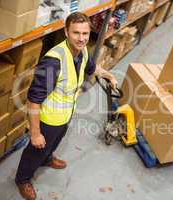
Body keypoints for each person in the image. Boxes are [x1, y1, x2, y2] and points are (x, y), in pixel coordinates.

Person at [15, 12, 117, 200]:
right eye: (76, 33)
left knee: (54, 143)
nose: (81, 38)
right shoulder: (54, 61)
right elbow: (33, 99)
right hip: (48, 119)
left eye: (85, 33)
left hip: (65, 114)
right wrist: (35, 133)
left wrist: (108, 75)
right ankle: (23, 178)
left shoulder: (83, 50)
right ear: (66, 32)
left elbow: (91, 68)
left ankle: (47, 158)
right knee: (35, 150)